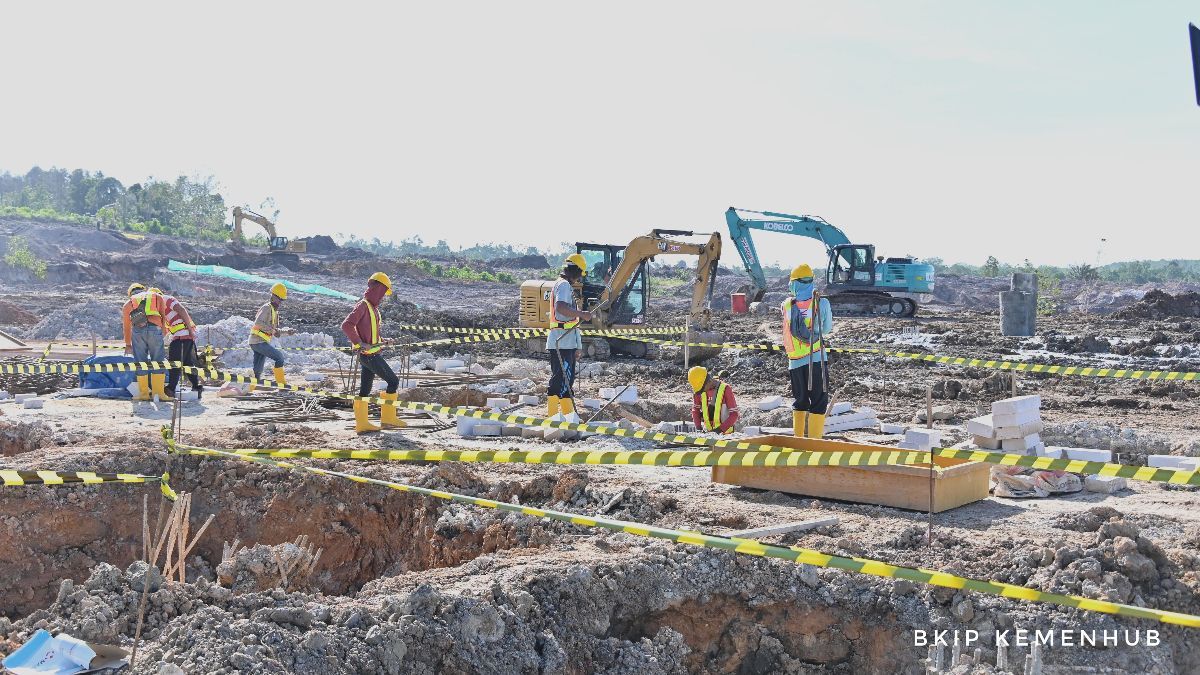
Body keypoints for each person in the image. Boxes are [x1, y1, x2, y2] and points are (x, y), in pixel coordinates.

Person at [341, 272, 404, 433]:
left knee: (365, 390)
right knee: (393, 382)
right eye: (383, 293)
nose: (383, 297)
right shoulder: (363, 306)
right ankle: (388, 418)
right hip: (369, 356)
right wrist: (359, 343)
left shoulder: (373, 309)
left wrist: (385, 339)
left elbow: (372, 333)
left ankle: (362, 424)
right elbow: (347, 325)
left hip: (369, 355)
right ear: (377, 289)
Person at [781, 263, 834, 438]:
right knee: (818, 401)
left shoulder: (787, 305)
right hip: (815, 358)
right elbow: (825, 330)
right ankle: (813, 444)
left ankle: (798, 440)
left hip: (794, 361)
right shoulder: (821, 302)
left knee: (800, 400)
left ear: (794, 283)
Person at [546, 253, 592, 420]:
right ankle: (552, 418)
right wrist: (582, 313)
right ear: (576, 270)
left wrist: (577, 345)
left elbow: (572, 323)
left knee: (566, 381)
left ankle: (568, 416)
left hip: (566, 341)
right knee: (560, 380)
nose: (580, 278)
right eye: (580, 274)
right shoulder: (564, 286)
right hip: (561, 341)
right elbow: (561, 308)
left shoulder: (564, 285)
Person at [122, 283, 168, 400]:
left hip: (138, 332)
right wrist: (162, 332)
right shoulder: (156, 296)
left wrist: (128, 344)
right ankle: (158, 394)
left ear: (130, 294)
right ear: (144, 290)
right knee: (157, 361)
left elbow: (127, 327)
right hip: (155, 328)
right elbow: (163, 316)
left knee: (140, 362)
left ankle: (143, 395)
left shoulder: (129, 303)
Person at [248, 282, 293, 392]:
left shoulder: (274, 311)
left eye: (282, 300)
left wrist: (287, 332)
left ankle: (252, 387)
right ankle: (281, 385)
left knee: (258, 367)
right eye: (279, 299)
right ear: (273, 296)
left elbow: (275, 331)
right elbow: (258, 323)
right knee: (279, 357)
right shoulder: (267, 308)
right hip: (257, 341)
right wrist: (272, 330)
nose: (280, 302)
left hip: (260, 341)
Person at [160, 290, 201, 399]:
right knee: (187, 363)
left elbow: (181, 310)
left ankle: (171, 389)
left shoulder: (166, 299)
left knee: (174, 363)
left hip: (183, 336)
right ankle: (197, 387)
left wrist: (190, 331)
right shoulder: (161, 307)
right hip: (182, 336)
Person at [688, 366, 738, 434]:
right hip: (708, 435)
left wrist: (719, 430)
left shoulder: (725, 389)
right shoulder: (699, 391)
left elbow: (734, 414)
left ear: (708, 381)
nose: (702, 391)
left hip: (727, 436)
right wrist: (698, 428)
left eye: (702, 389)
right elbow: (695, 410)